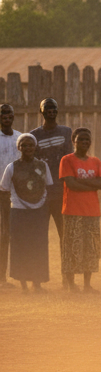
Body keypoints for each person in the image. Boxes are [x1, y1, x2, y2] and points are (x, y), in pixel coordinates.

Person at [0, 133, 53, 292]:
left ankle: (37, 283)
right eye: (24, 145)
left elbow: (48, 186)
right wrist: (6, 213)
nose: (28, 148)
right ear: (19, 147)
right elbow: (3, 190)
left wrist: (44, 210)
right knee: (21, 247)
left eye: (30, 145)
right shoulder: (12, 167)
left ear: (35, 146)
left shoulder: (43, 165)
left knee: (38, 246)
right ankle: (23, 284)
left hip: (39, 211)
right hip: (18, 212)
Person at [59, 127, 101, 292]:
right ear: (74, 141)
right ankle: (71, 284)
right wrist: (93, 182)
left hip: (92, 211)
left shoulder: (96, 161)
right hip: (72, 211)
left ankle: (87, 284)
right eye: (80, 139)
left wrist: (81, 182)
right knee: (72, 247)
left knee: (90, 248)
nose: (84, 142)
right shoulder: (67, 160)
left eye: (87, 140)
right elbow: (71, 184)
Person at [29, 98, 72, 241]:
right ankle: (39, 264)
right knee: (40, 233)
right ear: (41, 111)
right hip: (43, 192)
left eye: (54, 108)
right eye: (47, 108)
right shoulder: (34, 136)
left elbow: (69, 160)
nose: (51, 111)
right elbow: (32, 164)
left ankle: (67, 264)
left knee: (64, 233)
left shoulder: (66, 132)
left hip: (62, 190)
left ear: (57, 111)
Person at [0, 103, 19, 286]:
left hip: (13, 195)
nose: (6, 118)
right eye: (3, 115)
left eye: (9, 115)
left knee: (7, 235)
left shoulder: (20, 138)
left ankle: (3, 277)